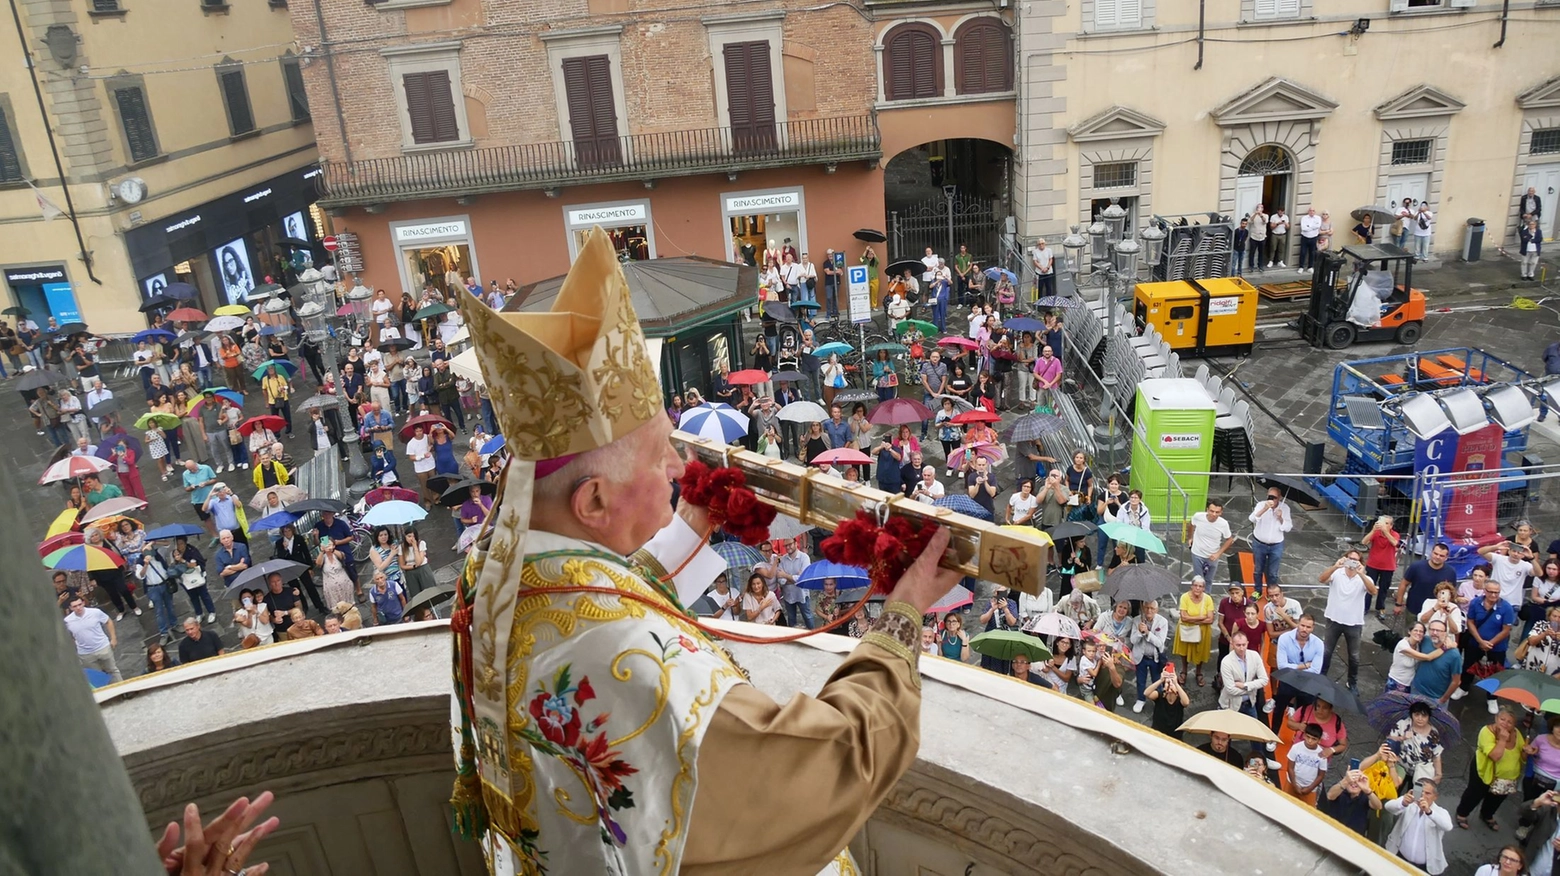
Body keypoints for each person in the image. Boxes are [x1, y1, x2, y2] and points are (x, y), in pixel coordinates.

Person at [1457, 708, 1527, 831]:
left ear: (1514, 724)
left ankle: (1487, 815)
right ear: (1496, 719)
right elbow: (1495, 756)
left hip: (1506, 778)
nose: (1505, 723)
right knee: (1475, 794)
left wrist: (1527, 751)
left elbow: (1522, 756)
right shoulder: (1486, 732)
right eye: (1502, 719)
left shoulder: (1516, 733)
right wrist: (1503, 740)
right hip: (1485, 771)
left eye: (1510, 722)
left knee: (1497, 798)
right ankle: (1462, 813)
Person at [1319, 548, 1374, 697]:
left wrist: (1361, 573)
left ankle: (1352, 682)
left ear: (1360, 563)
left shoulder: (1364, 578)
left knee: (1354, 656)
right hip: (1333, 619)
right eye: (1350, 558)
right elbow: (1321, 579)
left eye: (1355, 560)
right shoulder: (1337, 573)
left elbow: (1373, 591)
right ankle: (1321, 677)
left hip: (1354, 623)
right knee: (1326, 651)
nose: (1352, 562)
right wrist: (1336, 566)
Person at [1465, 570, 1518, 714]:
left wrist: (1490, 643)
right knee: (1468, 665)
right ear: (1485, 591)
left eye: (1497, 592)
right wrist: (1480, 640)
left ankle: (1492, 697)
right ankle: (1464, 687)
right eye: (1491, 592)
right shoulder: (1475, 603)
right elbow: (1470, 621)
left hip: (1497, 647)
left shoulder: (1506, 607)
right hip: (1475, 643)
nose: (1494, 595)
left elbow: (1506, 629)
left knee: (1496, 672)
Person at [1386, 780, 1454, 875]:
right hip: (1400, 857)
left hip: (1424, 867)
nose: (1423, 796)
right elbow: (1388, 807)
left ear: (1435, 797)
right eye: (1420, 792)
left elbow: (1448, 826)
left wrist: (1429, 812)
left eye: (1428, 793)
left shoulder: (1440, 812)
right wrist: (1403, 803)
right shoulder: (1409, 804)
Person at [1397, 542, 1457, 629]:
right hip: (1414, 610)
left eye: (1441, 555)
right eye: (1435, 553)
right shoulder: (1416, 567)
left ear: (1446, 558)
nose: (1437, 557)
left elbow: (1452, 592)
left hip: (1436, 613)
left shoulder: (1451, 572)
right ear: (1431, 552)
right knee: (1411, 636)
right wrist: (1398, 604)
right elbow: (1403, 584)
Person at [1518, 722, 1560, 843]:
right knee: (1530, 802)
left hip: (1556, 782)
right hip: (1534, 776)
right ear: (1553, 727)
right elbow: (1525, 757)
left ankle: (1537, 829)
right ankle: (1524, 825)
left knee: (1548, 807)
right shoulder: (1541, 739)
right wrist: (1527, 751)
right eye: (1558, 726)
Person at [63, 597, 121, 682]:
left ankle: (124, 692)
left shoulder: (95, 612)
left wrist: (113, 638)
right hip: (85, 653)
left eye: (79, 604)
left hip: (103, 647)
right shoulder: (67, 621)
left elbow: (108, 621)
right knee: (96, 677)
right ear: (71, 608)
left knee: (113, 670)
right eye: (75, 606)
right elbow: (68, 636)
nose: (78, 608)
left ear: (83, 603)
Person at [1247, 486, 1292, 594]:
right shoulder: (1261, 505)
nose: (1271, 499)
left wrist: (1281, 518)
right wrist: (1264, 509)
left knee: (1273, 573)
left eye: (1274, 497)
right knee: (1258, 570)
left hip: (1276, 545)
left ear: (1279, 497)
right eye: (1269, 496)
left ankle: (1270, 593)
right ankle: (1257, 591)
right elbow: (1251, 519)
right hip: (1259, 543)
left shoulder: (1285, 508)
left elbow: (1288, 528)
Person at [1174, 575, 1215, 686]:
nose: (1197, 588)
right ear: (1191, 587)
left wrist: (1194, 621)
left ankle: (1198, 672)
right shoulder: (1184, 597)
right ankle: (1184, 671)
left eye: (1200, 586)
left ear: (1203, 588)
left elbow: (1211, 619)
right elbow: (1184, 617)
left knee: (1200, 652)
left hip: (1202, 631)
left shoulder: (1208, 599)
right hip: (1186, 629)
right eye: (1195, 585)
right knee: (1184, 651)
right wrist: (1201, 618)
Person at [1183, 500, 1233, 584]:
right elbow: (1191, 525)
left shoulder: (1223, 524)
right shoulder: (1198, 517)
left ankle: (1207, 595)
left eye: (1217, 512)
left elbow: (1230, 539)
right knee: (1198, 579)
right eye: (1212, 511)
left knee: (1208, 580)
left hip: (1212, 556)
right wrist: (1190, 538)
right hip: (1197, 553)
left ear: (1221, 513)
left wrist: (1218, 554)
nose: (1214, 514)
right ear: (1207, 510)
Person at [1217, 631, 1267, 715]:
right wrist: (1252, 688)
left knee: (1253, 727)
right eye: (1238, 645)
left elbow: (1264, 680)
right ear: (1232, 644)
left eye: (1244, 645)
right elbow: (1230, 689)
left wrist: (1245, 686)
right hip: (1231, 705)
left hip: (1250, 703)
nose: (1241, 648)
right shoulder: (1226, 662)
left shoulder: (1255, 656)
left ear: (1247, 643)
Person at [1365, 514, 1401, 621]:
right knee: (1369, 587)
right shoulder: (1376, 533)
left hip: (1388, 566)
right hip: (1373, 564)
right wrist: (1372, 530)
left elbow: (1395, 543)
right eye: (1382, 522)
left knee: (1383, 589)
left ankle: (1380, 607)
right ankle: (1365, 607)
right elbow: (1364, 542)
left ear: (1391, 525)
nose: (1383, 525)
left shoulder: (1395, 534)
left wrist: (1385, 532)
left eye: (1386, 523)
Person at [1285, 723, 1329, 806]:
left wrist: (1310, 788)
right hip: (1291, 783)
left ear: (1319, 740)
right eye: (1308, 737)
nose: (1310, 741)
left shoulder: (1322, 754)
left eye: (1314, 739)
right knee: (1285, 805)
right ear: (1304, 735)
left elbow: (1321, 775)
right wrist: (1294, 785)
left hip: (1310, 789)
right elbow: (1290, 767)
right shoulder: (1296, 747)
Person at [1144, 664, 1190, 741]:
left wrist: (1175, 683)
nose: (1169, 684)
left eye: (1171, 683)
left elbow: (1186, 702)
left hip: (1175, 735)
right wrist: (1161, 680)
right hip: (1158, 733)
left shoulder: (1180, 699)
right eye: (1167, 683)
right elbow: (1146, 693)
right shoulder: (1160, 696)